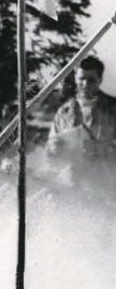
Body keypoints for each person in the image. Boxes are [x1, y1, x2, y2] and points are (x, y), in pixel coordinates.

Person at [45, 56, 116, 193]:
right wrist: (54, 148)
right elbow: (50, 156)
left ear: (100, 80)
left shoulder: (113, 108)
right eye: (81, 78)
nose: (85, 84)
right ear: (76, 78)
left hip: (108, 187)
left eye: (91, 80)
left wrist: (109, 147)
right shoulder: (64, 112)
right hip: (72, 186)